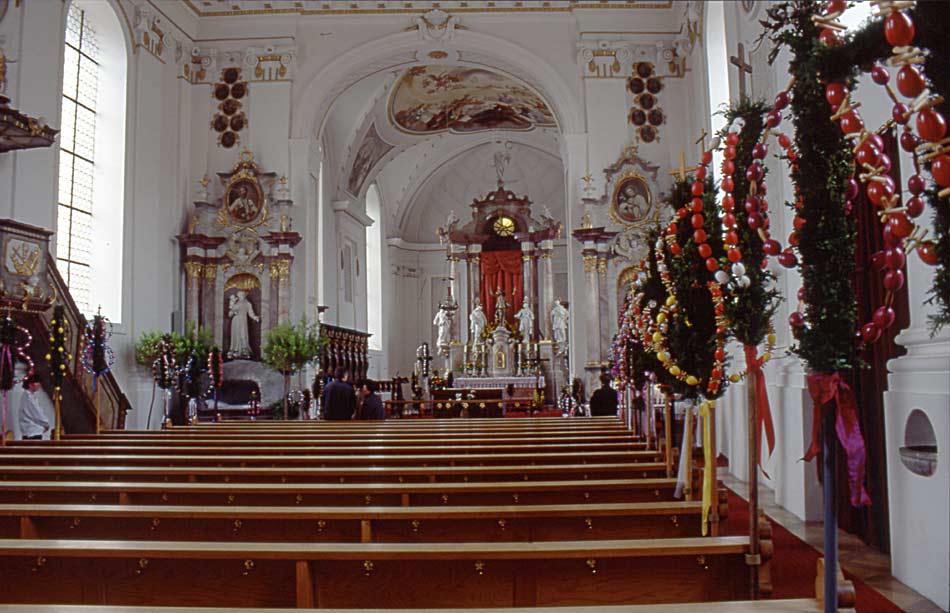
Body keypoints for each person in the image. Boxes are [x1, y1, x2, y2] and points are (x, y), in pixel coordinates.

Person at [19, 374, 50, 440]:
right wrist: (45, 423)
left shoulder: (30, 396)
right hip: (32, 432)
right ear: (30, 384)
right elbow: (36, 413)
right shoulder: (28, 397)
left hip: (32, 430)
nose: (39, 384)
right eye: (37, 382)